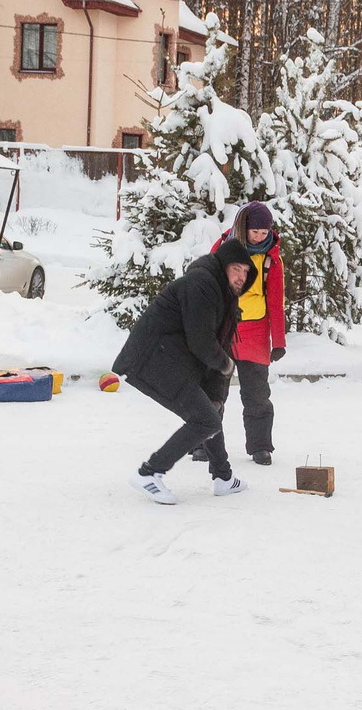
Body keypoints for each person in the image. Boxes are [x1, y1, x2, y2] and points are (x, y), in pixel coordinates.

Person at [117, 235, 254, 504]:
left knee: (211, 411)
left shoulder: (225, 298)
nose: (240, 277)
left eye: (245, 272)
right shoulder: (201, 284)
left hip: (174, 360)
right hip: (153, 359)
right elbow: (202, 342)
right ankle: (149, 472)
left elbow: (218, 347)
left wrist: (217, 394)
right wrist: (225, 365)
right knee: (205, 420)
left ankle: (223, 478)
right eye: (236, 269)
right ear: (224, 265)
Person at [226, 200, 289, 465]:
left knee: (257, 394)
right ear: (244, 228)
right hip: (224, 331)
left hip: (256, 334)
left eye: (265, 233)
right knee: (211, 392)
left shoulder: (272, 259)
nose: (260, 237)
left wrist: (279, 341)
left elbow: (276, 300)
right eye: (255, 232)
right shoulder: (224, 249)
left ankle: (260, 446)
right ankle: (202, 444)